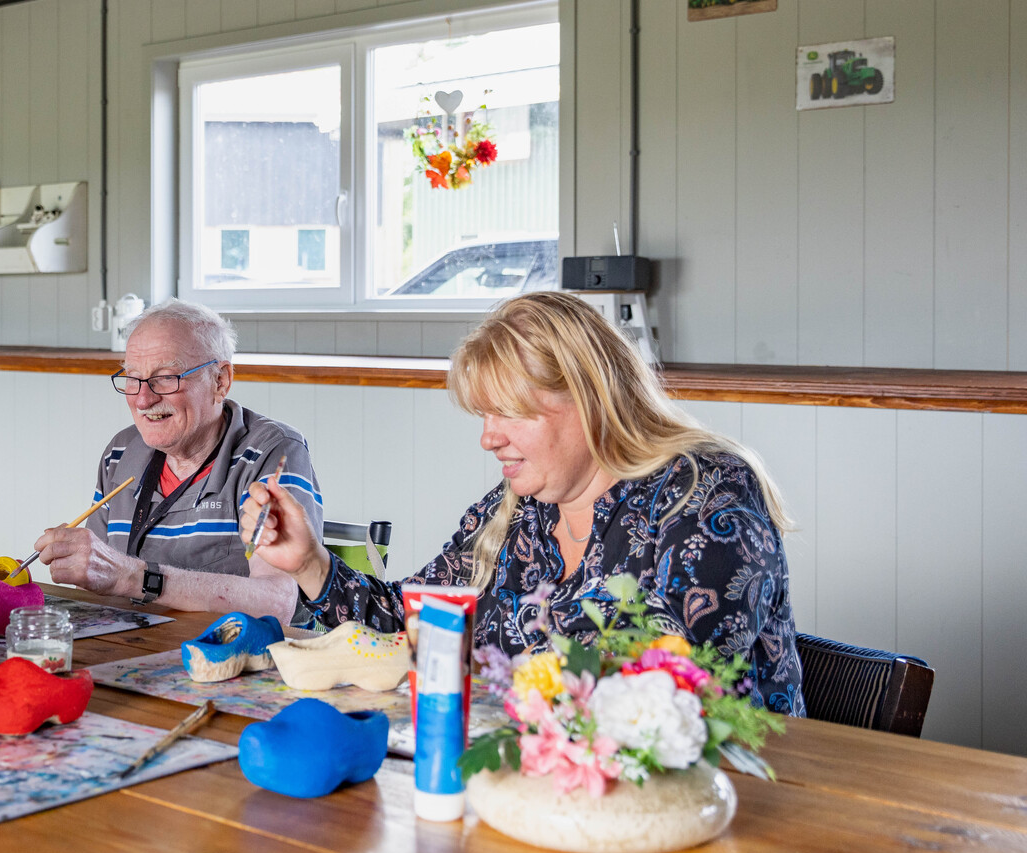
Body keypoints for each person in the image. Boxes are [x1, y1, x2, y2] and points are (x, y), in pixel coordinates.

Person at [239, 291, 803, 713]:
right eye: (484, 415)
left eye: (509, 412)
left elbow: (661, 691)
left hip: (709, 801)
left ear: (590, 400)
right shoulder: (520, 506)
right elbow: (416, 626)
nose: (489, 437)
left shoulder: (705, 494)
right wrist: (311, 563)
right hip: (542, 782)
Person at [32, 299, 321, 621]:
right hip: (138, 648)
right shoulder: (121, 452)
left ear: (220, 381)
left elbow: (279, 602)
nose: (143, 399)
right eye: (132, 377)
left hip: (237, 656)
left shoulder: (271, 452)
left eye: (166, 378)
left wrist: (134, 577)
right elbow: (96, 586)